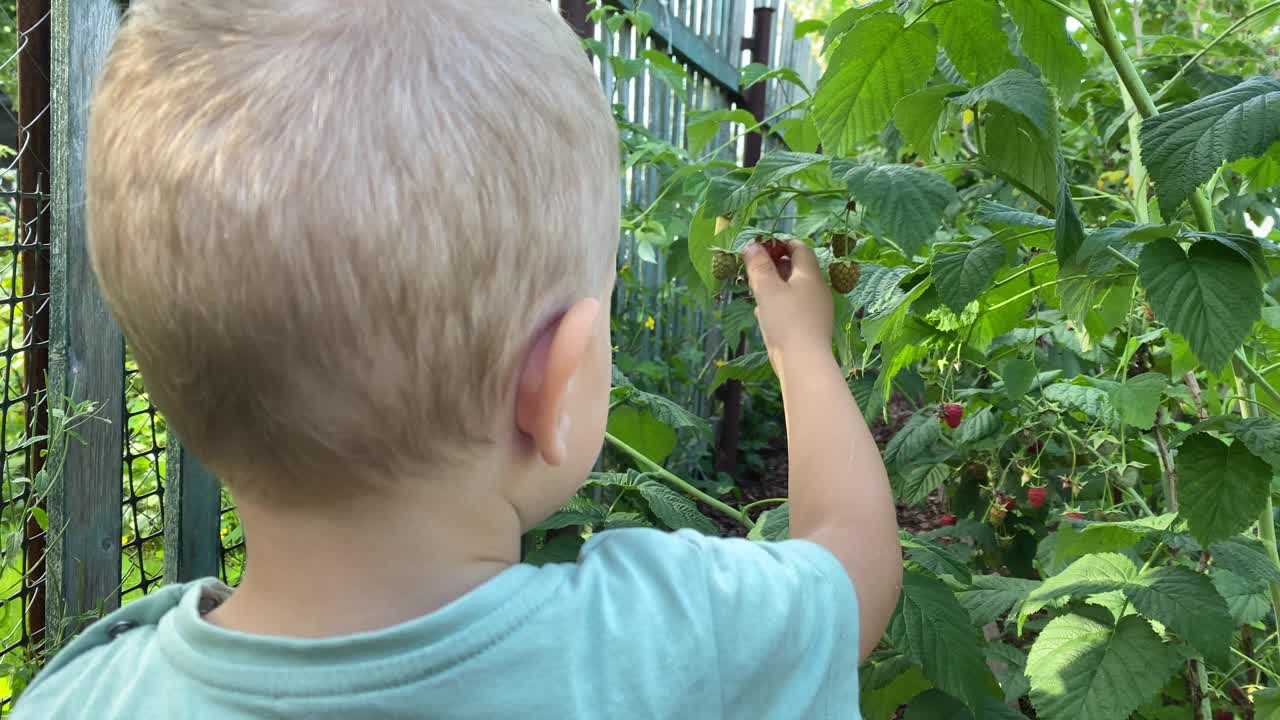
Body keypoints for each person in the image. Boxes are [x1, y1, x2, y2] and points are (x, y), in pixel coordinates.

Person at [12, 1, 901, 717]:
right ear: (554, 386)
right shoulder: (669, 641)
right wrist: (799, 351)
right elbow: (852, 562)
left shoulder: (84, 694)